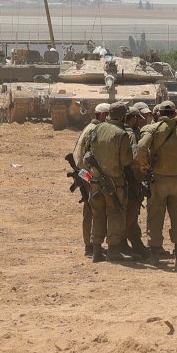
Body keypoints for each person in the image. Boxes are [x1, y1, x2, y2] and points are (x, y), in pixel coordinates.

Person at [137, 102, 177, 268]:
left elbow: (141, 147)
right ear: (174, 113)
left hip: (159, 180)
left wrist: (144, 165)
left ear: (159, 113)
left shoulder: (153, 129)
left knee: (155, 217)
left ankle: (154, 256)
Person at [81, 104, 135, 260]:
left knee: (97, 214)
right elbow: (126, 161)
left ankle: (96, 251)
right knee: (115, 214)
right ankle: (113, 251)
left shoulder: (96, 129)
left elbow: (86, 155)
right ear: (123, 117)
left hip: (95, 181)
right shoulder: (121, 134)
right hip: (114, 183)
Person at [73, 103, 112, 257]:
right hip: (87, 174)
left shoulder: (89, 127)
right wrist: (91, 179)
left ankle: (90, 244)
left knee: (90, 210)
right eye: (108, 115)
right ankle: (90, 246)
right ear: (102, 115)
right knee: (92, 210)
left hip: (82, 173)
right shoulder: (95, 130)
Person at [122, 103, 151, 255]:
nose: (141, 120)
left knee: (131, 213)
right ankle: (122, 244)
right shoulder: (131, 134)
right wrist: (141, 176)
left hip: (122, 178)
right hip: (131, 179)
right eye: (138, 118)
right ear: (132, 118)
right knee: (130, 213)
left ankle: (135, 243)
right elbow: (134, 159)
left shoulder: (121, 131)